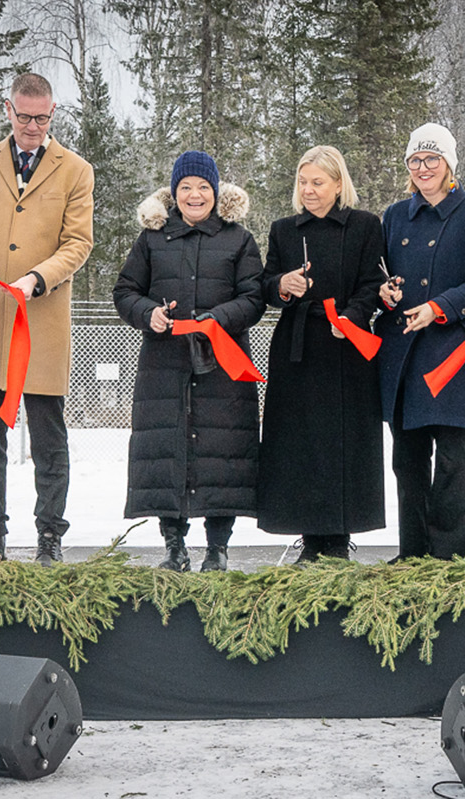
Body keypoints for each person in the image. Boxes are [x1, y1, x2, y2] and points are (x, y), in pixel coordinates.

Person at [0, 72, 95, 565]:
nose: (34, 126)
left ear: (54, 113)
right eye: (25, 116)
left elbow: (78, 243)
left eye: (43, 117)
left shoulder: (76, 170)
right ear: (7, 110)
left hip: (42, 320)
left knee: (50, 441)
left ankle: (49, 537)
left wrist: (37, 277)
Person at [113, 151, 265, 572]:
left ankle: (218, 548)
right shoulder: (151, 240)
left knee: (224, 452)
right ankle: (173, 545)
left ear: (216, 193)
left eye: (202, 187)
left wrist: (218, 319)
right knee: (168, 449)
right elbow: (125, 292)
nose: (194, 195)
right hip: (166, 367)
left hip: (223, 367)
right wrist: (149, 314)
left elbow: (254, 298)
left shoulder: (239, 239)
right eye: (185, 188)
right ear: (173, 193)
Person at [377, 124, 465, 560]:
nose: (423, 168)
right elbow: (380, 272)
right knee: (407, 460)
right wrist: (385, 291)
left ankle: (451, 556)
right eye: (415, 160)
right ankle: (413, 553)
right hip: (402, 352)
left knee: (452, 459)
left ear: (450, 164)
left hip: (453, 351)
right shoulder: (394, 215)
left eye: (432, 159)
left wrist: (439, 306)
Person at [258, 146, 386, 562]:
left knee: (344, 443)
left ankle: (339, 538)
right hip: (297, 348)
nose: (309, 190)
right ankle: (311, 540)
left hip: (347, 347)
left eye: (318, 182)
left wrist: (351, 317)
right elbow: (265, 286)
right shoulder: (283, 230)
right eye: (303, 182)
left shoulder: (366, 226)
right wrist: (283, 285)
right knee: (300, 444)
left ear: (338, 184)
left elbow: (373, 283)